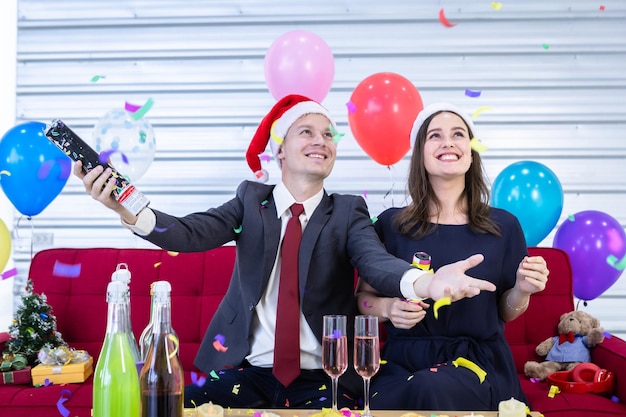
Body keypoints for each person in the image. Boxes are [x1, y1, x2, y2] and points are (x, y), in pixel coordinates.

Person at [75, 95, 496, 410]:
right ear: (279, 150)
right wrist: (124, 206)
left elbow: (375, 261)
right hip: (240, 370)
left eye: (329, 134)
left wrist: (426, 282)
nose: (322, 140)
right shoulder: (249, 202)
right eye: (307, 132)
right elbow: (189, 233)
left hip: (324, 376)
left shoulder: (348, 210)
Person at [356, 102, 549, 411]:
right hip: (402, 362)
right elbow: (362, 301)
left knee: (430, 387)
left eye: (458, 134)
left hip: (477, 362)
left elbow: (507, 311)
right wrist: (389, 308)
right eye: (435, 136)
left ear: (470, 153)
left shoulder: (505, 226)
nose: (447, 142)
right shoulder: (391, 225)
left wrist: (522, 290)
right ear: (420, 154)